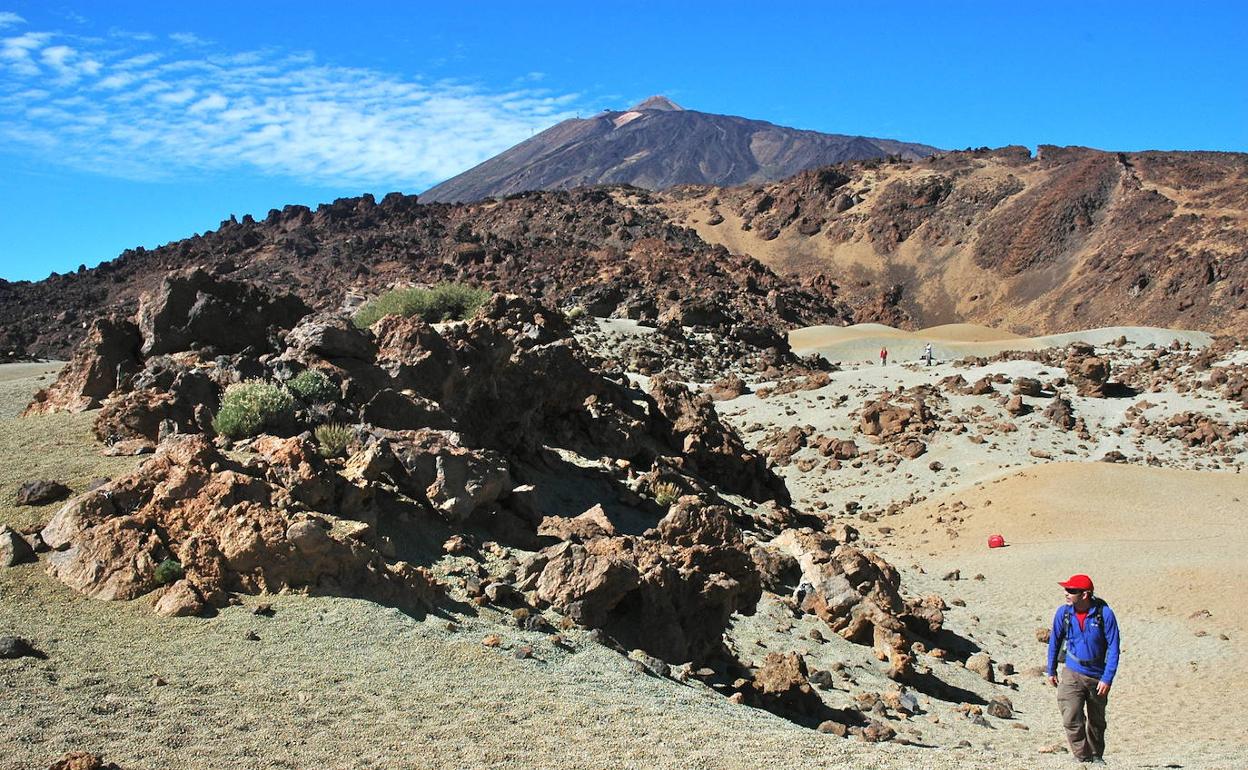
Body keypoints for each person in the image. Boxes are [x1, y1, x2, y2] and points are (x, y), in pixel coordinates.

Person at [1046, 574, 1121, 765]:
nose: (1066, 594)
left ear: (1085, 594)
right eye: (1066, 590)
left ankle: (1096, 755)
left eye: (1071, 591)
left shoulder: (1105, 614)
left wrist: (1107, 678)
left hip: (1098, 676)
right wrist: (1051, 669)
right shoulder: (1063, 613)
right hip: (1072, 672)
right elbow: (1054, 641)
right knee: (1071, 716)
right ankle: (1082, 757)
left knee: (1097, 721)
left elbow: (1113, 647)